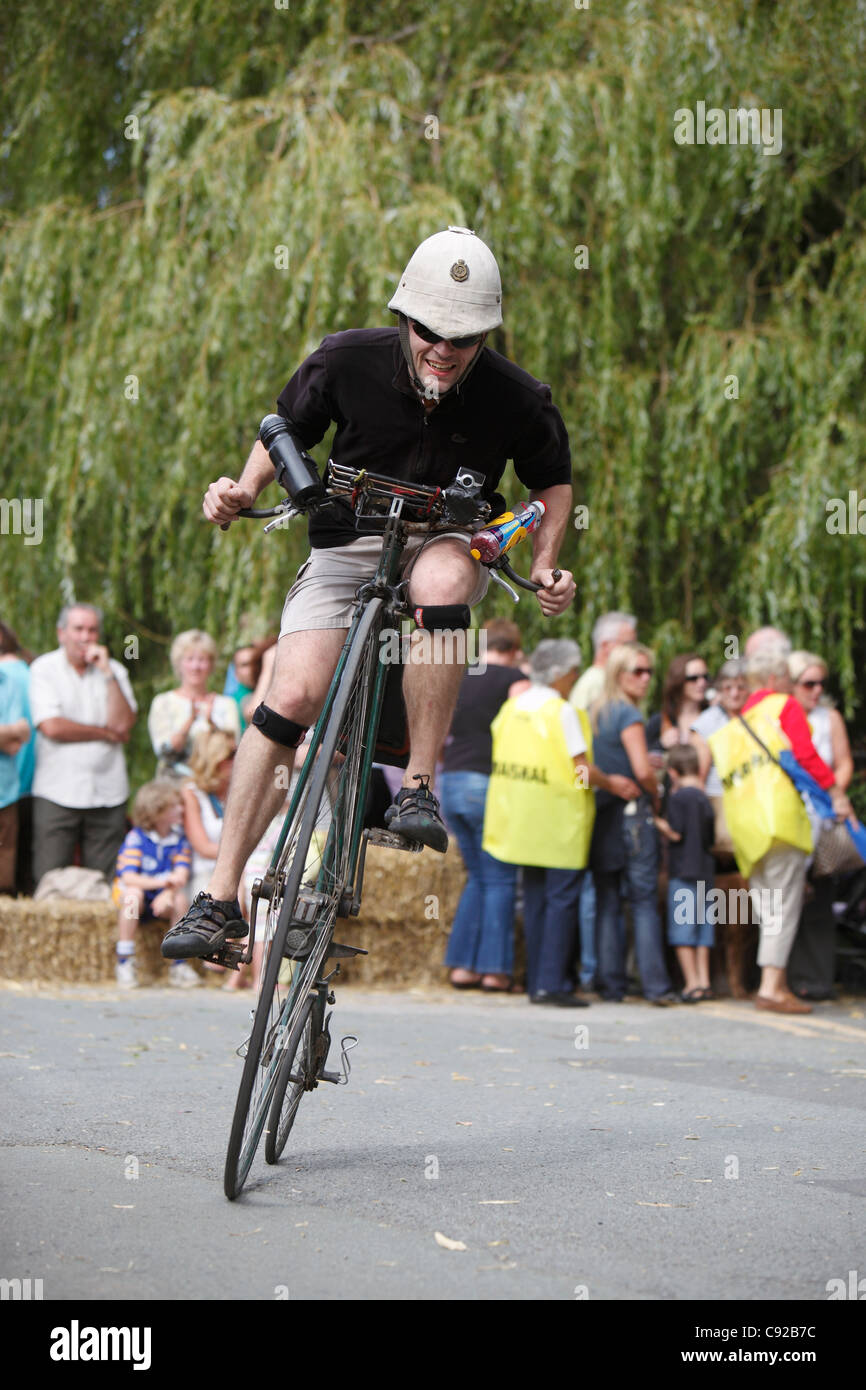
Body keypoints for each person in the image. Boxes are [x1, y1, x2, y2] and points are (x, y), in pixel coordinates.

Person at [162, 226, 575, 963]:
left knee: (443, 579)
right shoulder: (346, 359)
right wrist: (242, 487)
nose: (444, 349)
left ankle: (417, 787)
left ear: (486, 335)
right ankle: (221, 897)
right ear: (404, 318)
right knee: (290, 696)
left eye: (465, 337)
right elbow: (282, 427)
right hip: (346, 539)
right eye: (429, 332)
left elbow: (553, 480)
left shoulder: (516, 397)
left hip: (448, 540)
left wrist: (544, 562)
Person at [484, 639, 641, 1005]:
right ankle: (551, 984)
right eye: (572, 672)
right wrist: (612, 783)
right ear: (558, 674)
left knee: (536, 901)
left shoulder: (512, 707)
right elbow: (581, 769)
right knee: (562, 902)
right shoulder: (562, 711)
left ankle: (537, 980)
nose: (574, 678)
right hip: (558, 821)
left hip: (520, 817)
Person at [707, 644, 853, 1014]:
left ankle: (774, 981)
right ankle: (772, 987)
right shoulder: (782, 706)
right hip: (779, 819)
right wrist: (834, 792)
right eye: (788, 679)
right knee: (784, 906)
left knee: (767, 905)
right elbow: (804, 755)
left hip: (745, 826)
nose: (791, 687)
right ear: (774, 680)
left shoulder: (734, 723)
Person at [439, 617, 527, 991]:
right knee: (501, 878)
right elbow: (524, 726)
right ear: (514, 649)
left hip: (452, 782)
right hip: (488, 782)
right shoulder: (514, 681)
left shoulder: (459, 676)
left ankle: (462, 967)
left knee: (478, 876)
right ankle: (495, 970)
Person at [590, 642, 676, 1004]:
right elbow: (642, 770)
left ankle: (611, 985)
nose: (645, 679)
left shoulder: (595, 712)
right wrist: (655, 798)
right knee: (642, 902)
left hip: (603, 812)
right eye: (637, 671)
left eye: (649, 672)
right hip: (634, 815)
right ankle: (656, 986)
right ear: (618, 674)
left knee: (608, 900)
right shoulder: (630, 715)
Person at [28, 605, 137, 887]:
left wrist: (107, 674)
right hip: (56, 791)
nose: (85, 636)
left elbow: (123, 725)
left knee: (104, 882)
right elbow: (52, 727)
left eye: (91, 630)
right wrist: (104, 733)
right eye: (78, 629)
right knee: (50, 879)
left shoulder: (114, 670)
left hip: (108, 791)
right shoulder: (44, 669)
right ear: (61, 633)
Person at [786, 650, 854, 1000]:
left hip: (824, 813)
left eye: (820, 683)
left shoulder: (830, 718)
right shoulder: (782, 716)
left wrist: (832, 792)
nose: (815, 690)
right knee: (790, 895)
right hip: (791, 811)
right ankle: (784, 976)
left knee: (819, 894)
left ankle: (817, 978)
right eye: (807, 683)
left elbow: (842, 762)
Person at [113, 781, 194, 990]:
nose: (181, 809)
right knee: (133, 895)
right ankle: (124, 960)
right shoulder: (136, 838)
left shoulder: (179, 840)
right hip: (139, 896)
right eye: (174, 806)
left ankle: (179, 965)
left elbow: (182, 875)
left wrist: (167, 892)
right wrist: (163, 883)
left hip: (162, 898)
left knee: (180, 899)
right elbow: (129, 877)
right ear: (155, 811)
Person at [654, 744, 716, 1001]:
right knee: (703, 930)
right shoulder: (705, 799)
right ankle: (704, 981)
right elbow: (710, 837)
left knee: (683, 930)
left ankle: (690, 984)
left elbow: (676, 832)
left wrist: (657, 823)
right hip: (705, 871)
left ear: (673, 772)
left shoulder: (679, 798)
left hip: (683, 872)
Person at [148, 630, 241, 779]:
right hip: (174, 787)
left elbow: (232, 751)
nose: (196, 666)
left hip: (215, 785)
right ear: (179, 663)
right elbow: (165, 754)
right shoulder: (163, 702)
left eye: (202, 659)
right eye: (190, 659)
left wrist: (212, 724)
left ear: (211, 665)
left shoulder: (226, 704)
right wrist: (190, 721)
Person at [0, 622, 35, 894]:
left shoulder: (8, 678)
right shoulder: (32, 673)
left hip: (10, 787)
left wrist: (10, 735)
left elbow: (15, 742)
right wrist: (11, 732)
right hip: (26, 787)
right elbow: (16, 735)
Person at [569, 612, 637, 715]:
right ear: (605, 646)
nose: (634, 650)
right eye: (628, 644)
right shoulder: (595, 684)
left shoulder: (602, 680)